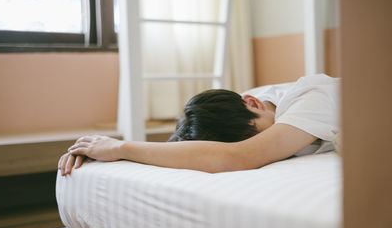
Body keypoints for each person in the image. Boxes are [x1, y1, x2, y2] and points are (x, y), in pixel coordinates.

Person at [59, 74, 340, 174]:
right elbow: (201, 151)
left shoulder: (311, 97)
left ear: (251, 102)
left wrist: (121, 146)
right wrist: (96, 149)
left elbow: (240, 156)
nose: (269, 145)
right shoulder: (248, 107)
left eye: (256, 136)